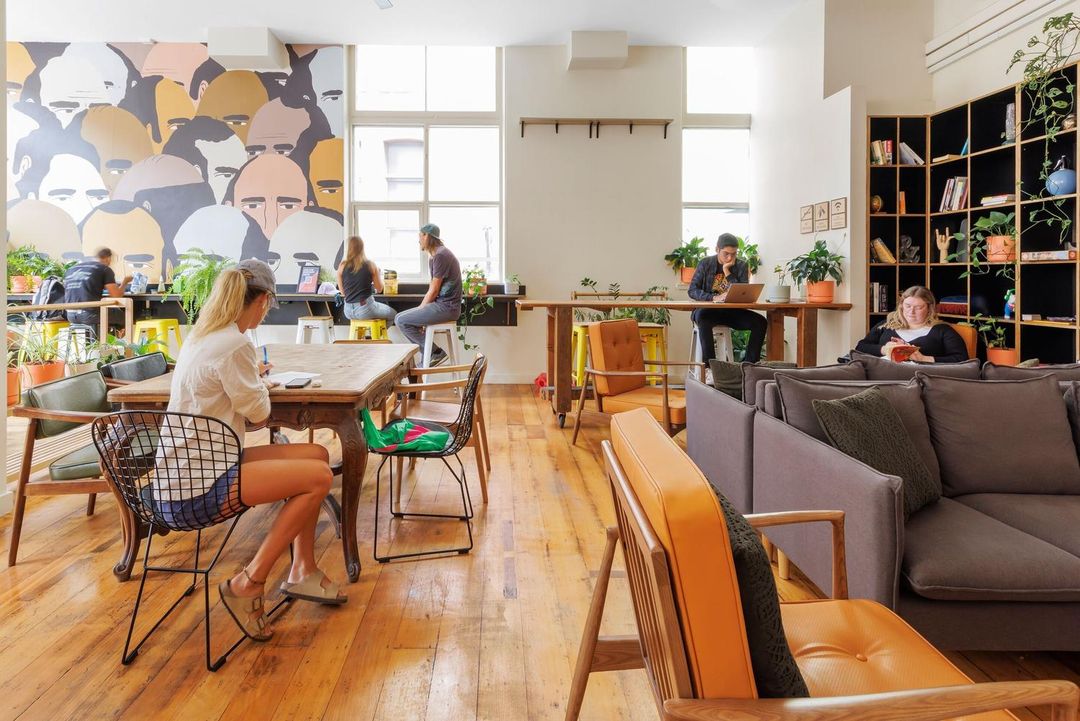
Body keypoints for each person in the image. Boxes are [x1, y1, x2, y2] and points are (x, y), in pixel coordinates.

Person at [164, 258, 345, 641]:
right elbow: (260, 415)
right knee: (318, 478)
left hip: (184, 471)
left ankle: (303, 569)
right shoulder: (234, 343)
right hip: (197, 487)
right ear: (262, 300)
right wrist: (260, 384)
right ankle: (249, 581)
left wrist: (252, 380)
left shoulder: (203, 336)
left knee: (317, 456)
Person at [688, 233, 767, 363]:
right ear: (717, 249)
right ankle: (710, 367)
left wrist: (727, 271)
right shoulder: (705, 263)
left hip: (732, 312)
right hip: (707, 311)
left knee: (760, 322)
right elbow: (692, 290)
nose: (730, 257)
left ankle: (749, 366)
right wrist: (714, 298)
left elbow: (742, 291)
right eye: (726, 254)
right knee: (703, 317)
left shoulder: (741, 266)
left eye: (734, 254)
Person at [394, 224, 461, 366]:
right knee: (399, 318)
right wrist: (421, 314)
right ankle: (430, 356)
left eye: (420, 236)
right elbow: (433, 287)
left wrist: (421, 309)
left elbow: (434, 290)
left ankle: (435, 353)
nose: (418, 240)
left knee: (401, 320)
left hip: (447, 307)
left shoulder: (441, 255)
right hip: (442, 306)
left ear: (427, 236)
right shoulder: (436, 256)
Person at [855, 285, 968, 363]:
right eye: (908, 306)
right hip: (883, 375)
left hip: (921, 378)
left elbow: (962, 359)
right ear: (901, 305)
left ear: (929, 308)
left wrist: (924, 359)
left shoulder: (942, 330)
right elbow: (860, 347)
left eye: (918, 307)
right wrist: (885, 349)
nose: (911, 311)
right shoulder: (886, 325)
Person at [63, 247, 130, 329]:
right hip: (90, 315)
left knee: (107, 312)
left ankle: (101, 335)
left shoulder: (71, 269)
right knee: (125, 315)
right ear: (108, 258)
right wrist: (125, 282)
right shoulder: (104, 269)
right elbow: (116, 296)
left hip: (70, 315)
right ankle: (115, 336)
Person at [337, 235, 396, 327]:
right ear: (362, 247)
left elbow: (343, 292)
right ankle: (376, 336)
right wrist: (378, 273)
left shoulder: (342, 265)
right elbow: (379, 289)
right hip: (365, 309)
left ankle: (366, 336)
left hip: (348, 311)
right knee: (393, 315)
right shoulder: (370, 265)